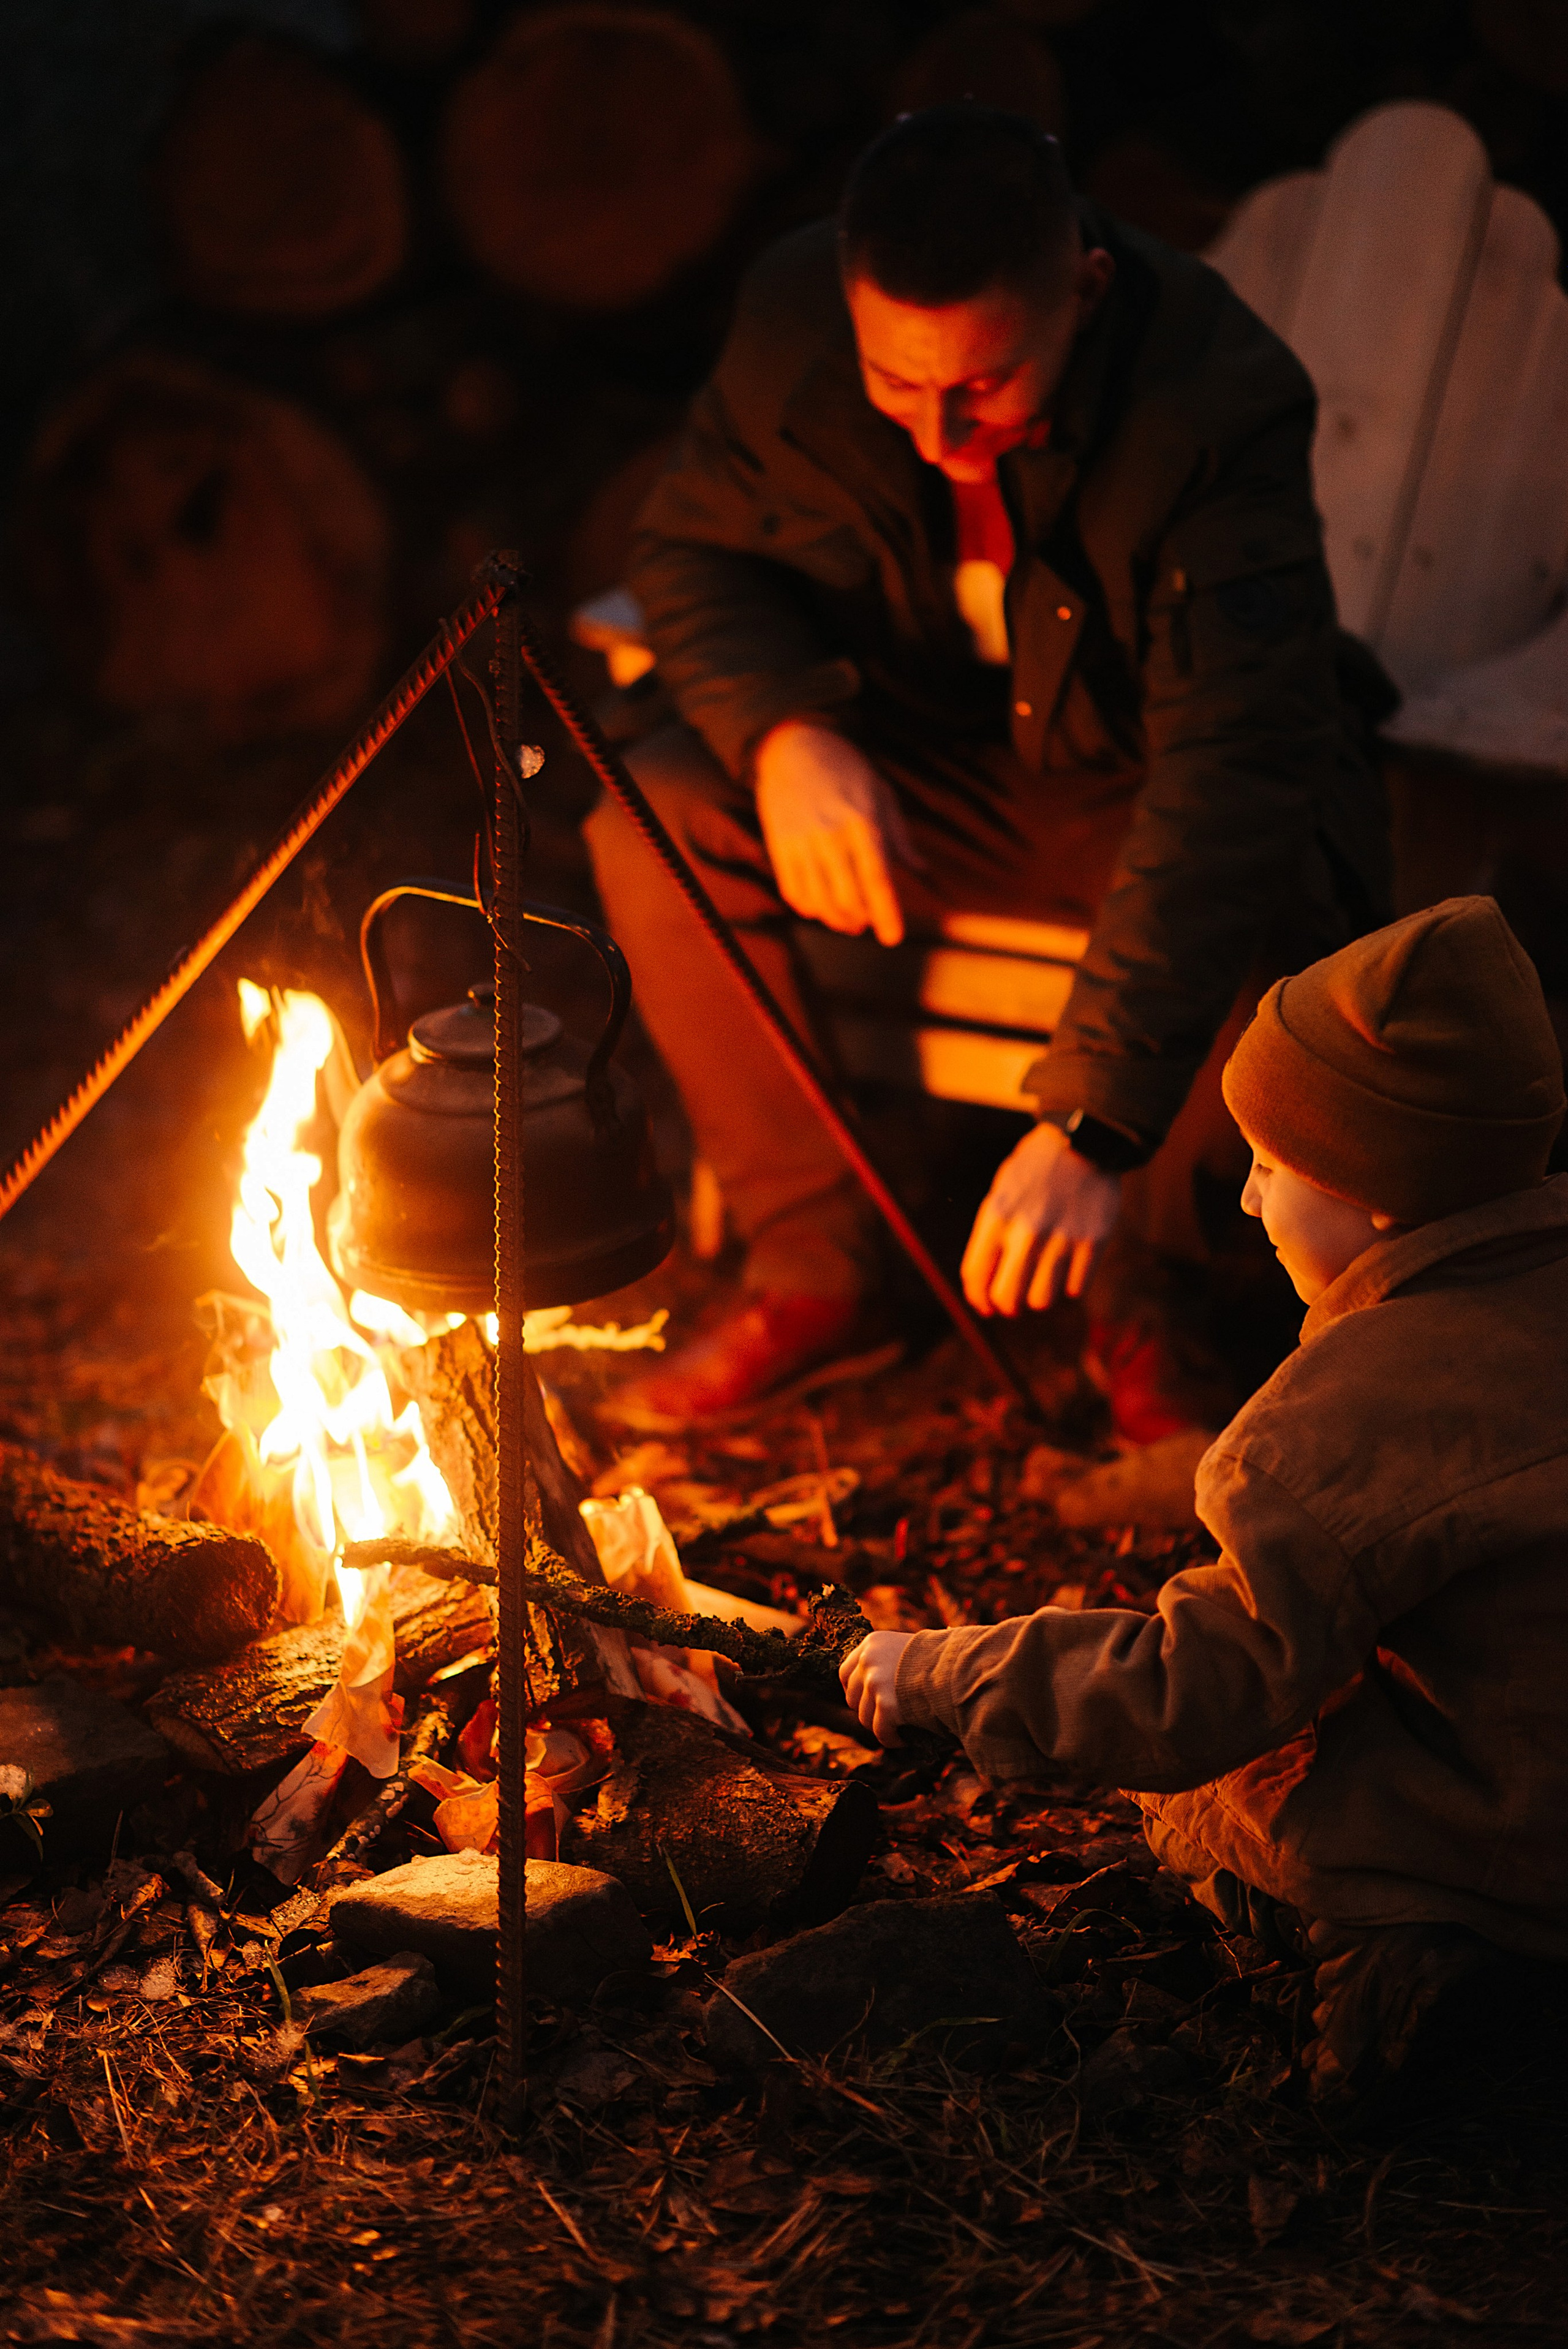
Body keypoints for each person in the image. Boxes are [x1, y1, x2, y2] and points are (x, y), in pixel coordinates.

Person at [587, 104, 1390, 1433]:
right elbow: (687, 553)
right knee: (652, 813)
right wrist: (784, 730)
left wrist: (1090, 1125)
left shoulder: (1210, 396)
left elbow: (1226, 768)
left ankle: (1156, 1285)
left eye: (984, 386)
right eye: (895, 384)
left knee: (1280, 864)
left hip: (1136, 777)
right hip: (921, 756)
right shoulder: (794, 316)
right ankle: (814, 1265)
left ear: (1080, 286)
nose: (936, 436)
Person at [841, 896, 1568, 2111]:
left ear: (1372, 1195)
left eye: (1268, 1168)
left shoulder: (1335, 1419)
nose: (1241, 1201)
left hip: (1503, 1840)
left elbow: (1196, 1689)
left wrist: (947, 1673)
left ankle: (1394, 1974)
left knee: (1199, 1799)